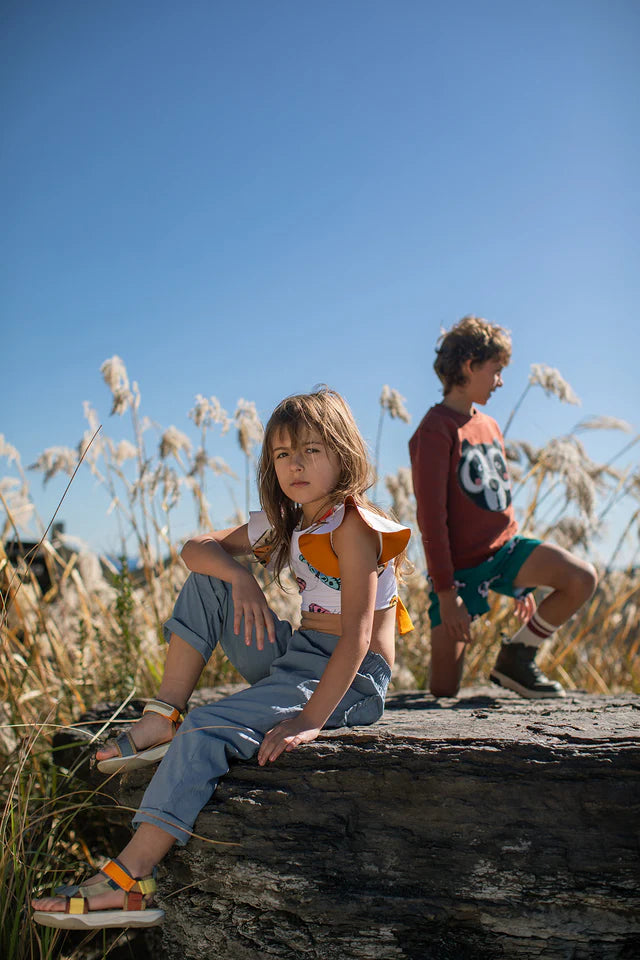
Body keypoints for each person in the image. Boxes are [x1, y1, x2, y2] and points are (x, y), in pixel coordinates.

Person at [32, 387, 412, 930]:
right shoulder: (292, 523)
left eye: (311, 450)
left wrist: (308, 721)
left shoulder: (354, 525)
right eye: (283, 454)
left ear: (343, 453)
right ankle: (162, 717)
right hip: (299, 656)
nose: (296, 464)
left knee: (209, 726)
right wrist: (239, 578)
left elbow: (355, 637)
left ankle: (129, 881)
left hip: (350, 679)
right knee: (208, 583)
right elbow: (196, 547)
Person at [409, 316, 597, 700]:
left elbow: (499, 502)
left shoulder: (491, 425)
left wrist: (522, 581)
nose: (500, 382)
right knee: (444, 690)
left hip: (506, 552)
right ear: (469, 366)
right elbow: (432, 518)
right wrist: (447, 595)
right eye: (495, 371)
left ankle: (516, 656)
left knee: (581, 577)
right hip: (458, 572)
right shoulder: (435, 428)